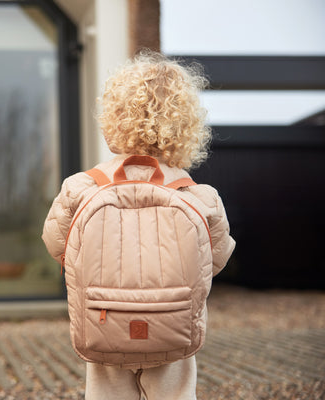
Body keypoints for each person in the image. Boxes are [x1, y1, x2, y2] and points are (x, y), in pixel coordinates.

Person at [42, 51, 235, 399]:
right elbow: (215, 260)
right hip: (172, 323)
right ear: (186, 126)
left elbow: (57, 247)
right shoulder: (199, 196)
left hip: (104, 319)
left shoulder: (81, 187)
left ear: (112, 117)